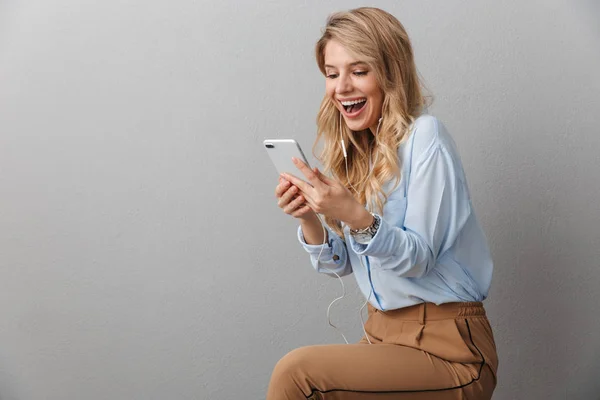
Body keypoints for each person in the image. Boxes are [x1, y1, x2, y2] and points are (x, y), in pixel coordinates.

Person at [268, 7, 498, 400]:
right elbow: (340, 264)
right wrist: (310, 218)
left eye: (359, 71)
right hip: (382, 336)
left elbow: (418, 258)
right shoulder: (361, 152)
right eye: (332, 73)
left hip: (449, 349)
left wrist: (354, 215)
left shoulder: (426, 137)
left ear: (390, 72)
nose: (342, 87)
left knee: (297, 374)